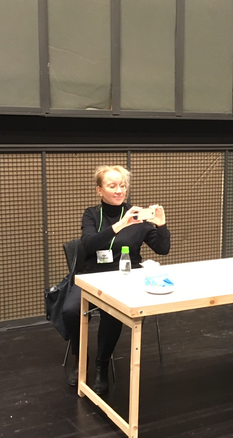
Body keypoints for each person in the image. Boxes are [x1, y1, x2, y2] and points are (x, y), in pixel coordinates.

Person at [61, 165, 171, 395]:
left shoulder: (137, 215)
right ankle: (80, 358)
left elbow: (163, 249)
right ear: (99, 190)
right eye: (112, 186)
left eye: (122, 185)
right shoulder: (91, 214)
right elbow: (88, 244)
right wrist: (121, 224)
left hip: (126, 277)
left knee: (112, 313)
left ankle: (102, 364)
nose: (119, 190)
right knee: (70, 311)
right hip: (93, 276)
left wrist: (161, 225)